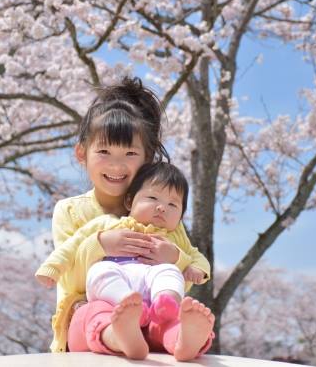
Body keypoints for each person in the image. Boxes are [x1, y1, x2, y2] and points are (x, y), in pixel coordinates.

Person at [35, 77, 214, 360]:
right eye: (104, 152)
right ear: (82, 153)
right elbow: (69, 280)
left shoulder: (161, 212)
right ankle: (118, 333)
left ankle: (185, 340)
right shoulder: (70, 211)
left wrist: (175, 258)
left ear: (148, 157)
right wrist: (102, 245)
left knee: (173, 313)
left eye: (130, 153)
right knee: (89, 311)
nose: (116, 165)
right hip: (93, 318)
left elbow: (176, 282)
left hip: (150, 320)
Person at [36, 162, 213, 360]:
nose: (162, 208)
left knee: (169, 275)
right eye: (153, 198)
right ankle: (123, 324)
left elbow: (197, 256)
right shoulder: (108, 224)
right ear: (129, 201)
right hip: (112, 302)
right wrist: (52, 267)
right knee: (100, 274)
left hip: (155, 305)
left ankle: (180, 333)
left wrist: (196, 268)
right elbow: (72, 245)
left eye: (173, 204)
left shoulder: (176, 239)